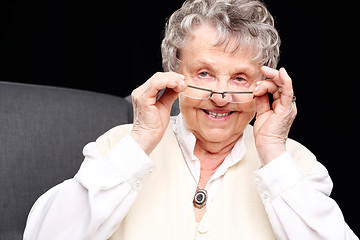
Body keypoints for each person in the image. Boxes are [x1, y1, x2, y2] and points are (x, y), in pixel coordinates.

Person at [24, 0, 358, 239]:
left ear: (263, 87)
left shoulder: (295, 163)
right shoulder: (119, 145)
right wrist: (141, 140)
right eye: (204, 74)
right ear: (173, 75)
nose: (221, 96)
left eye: (240, 78)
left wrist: (273, 151)